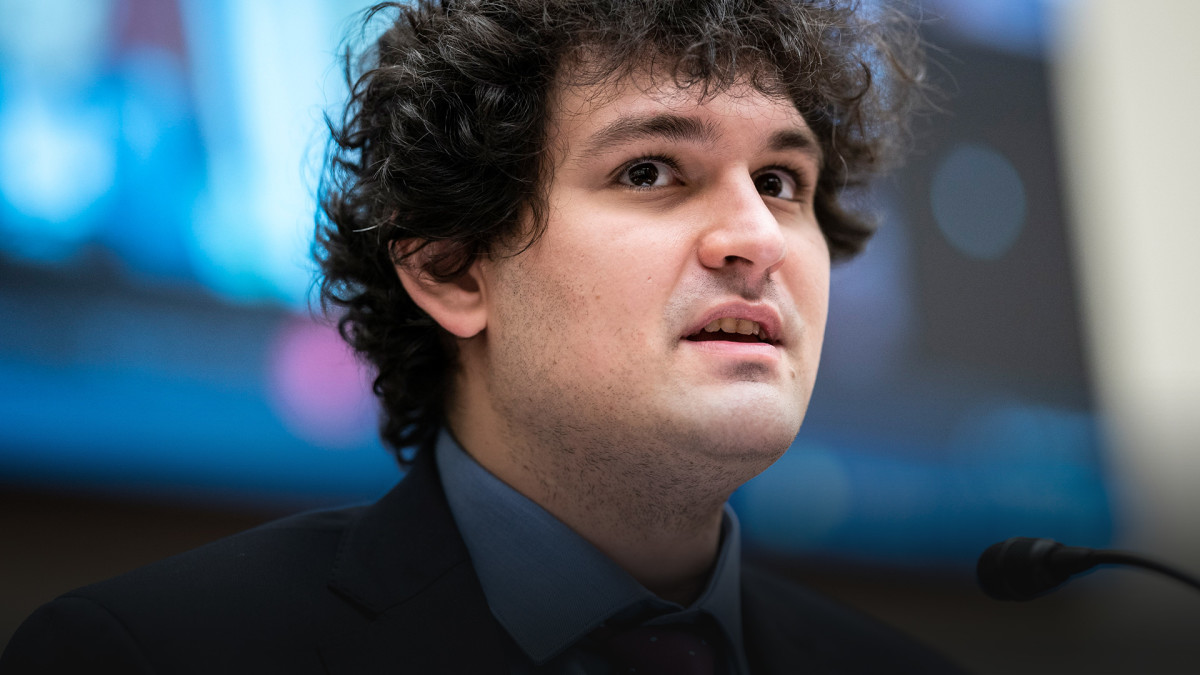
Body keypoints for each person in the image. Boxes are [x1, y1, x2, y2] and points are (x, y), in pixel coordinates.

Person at [2, 1, 961, 672]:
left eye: (782, 182)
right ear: (453, 267)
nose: (758, 236)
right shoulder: (148, 655)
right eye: (650, 171)